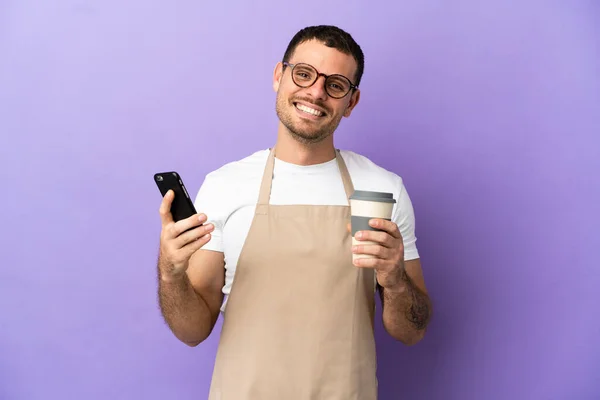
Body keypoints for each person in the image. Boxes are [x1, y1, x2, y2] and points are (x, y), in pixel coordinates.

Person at [156, 25, 432, 400]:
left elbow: (411, 331)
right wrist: (171, 275)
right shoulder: (226, 186)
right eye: (303, 74)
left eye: (335, 85)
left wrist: (396, 279)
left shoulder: (382, 190)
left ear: (351, 102)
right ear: (278, 77)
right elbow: (192, 331)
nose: (315, 92)